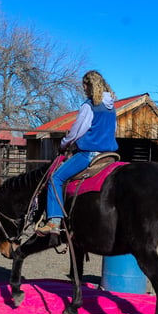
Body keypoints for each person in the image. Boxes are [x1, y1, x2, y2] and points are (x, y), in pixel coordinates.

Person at [35, 70, 118, 236]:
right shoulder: (112, 108)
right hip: (110, 154)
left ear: (90, 85)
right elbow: (113, 130)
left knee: (55, 178)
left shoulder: (89, 106)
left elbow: (77, 132)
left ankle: (54, 222)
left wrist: (64, 144)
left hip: (89, 154)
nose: (84, 90)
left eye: (85, 86)